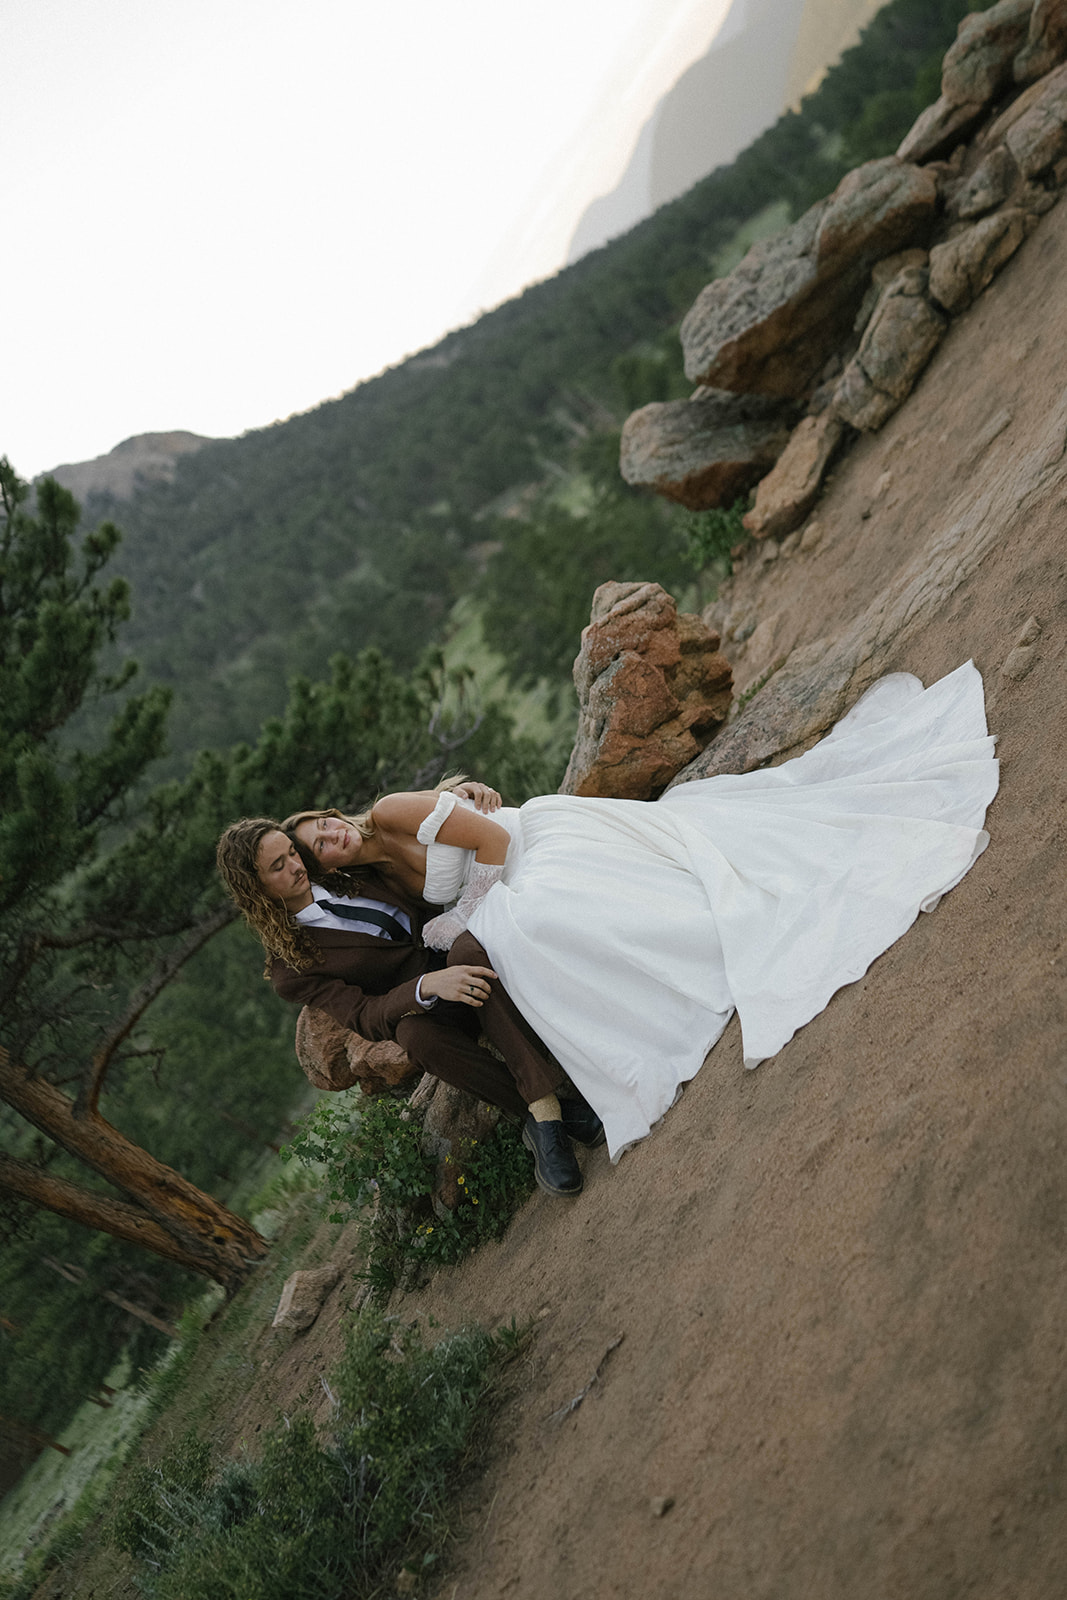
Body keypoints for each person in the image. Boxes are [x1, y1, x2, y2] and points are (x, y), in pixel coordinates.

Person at [280, 661, 999, 1163]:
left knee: (523, 919)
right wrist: (457, 904)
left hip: (532, 841)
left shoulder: (388, 811)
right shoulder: (381, 889)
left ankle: (675, 967)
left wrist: (467, 867)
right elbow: (429, 911)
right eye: (322, 849)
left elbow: (493, 838)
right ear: (330, 870)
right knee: (513, 931)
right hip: (499, 881)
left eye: (325, 826)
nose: (334, 839)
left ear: (334, 815)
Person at [215, 793, 605, 1200]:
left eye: (292, 853)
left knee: (467, 955)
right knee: (418, 1039)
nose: (296, 866)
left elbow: (394, 829)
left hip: (461, 945)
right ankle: (544, 1112)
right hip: (428, 1000)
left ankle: (546, 1116)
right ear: (255, 888)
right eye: (278, 867)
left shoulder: (342, 868)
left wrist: (456, 795)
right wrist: (427, 987)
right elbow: (364, 1015)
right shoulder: (290, 968)